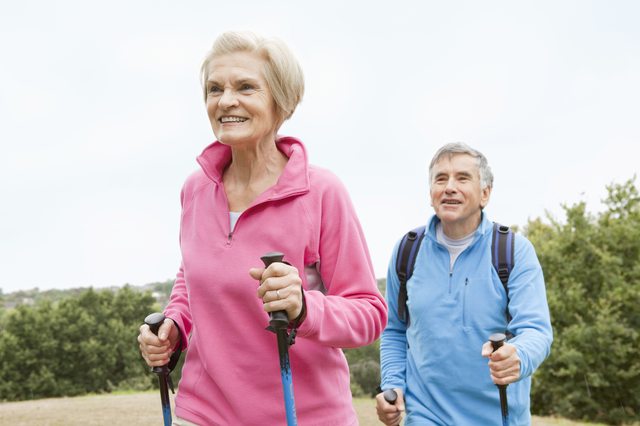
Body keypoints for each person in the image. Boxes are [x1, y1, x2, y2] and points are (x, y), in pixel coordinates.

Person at [137, 31, 387, 425]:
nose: (225, 100)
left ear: (281, 101)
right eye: (214, 88)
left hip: (304, 415)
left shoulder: (321, 192)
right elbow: (192, 276)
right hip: (206, 412)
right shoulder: (196, 189)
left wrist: (305, 307)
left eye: (246, 87)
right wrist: (174, 326)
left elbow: (368, 314)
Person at [376, 143, 552, 425]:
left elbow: (536, 330)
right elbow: (394, 329)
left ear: (485, 193)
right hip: (426, 415)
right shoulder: (406, 251)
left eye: (462, 178)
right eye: (441, 178)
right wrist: (393, 385)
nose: (449, 187)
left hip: (500, 417)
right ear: (431, 193)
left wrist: (518, 355)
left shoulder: (513, 250)